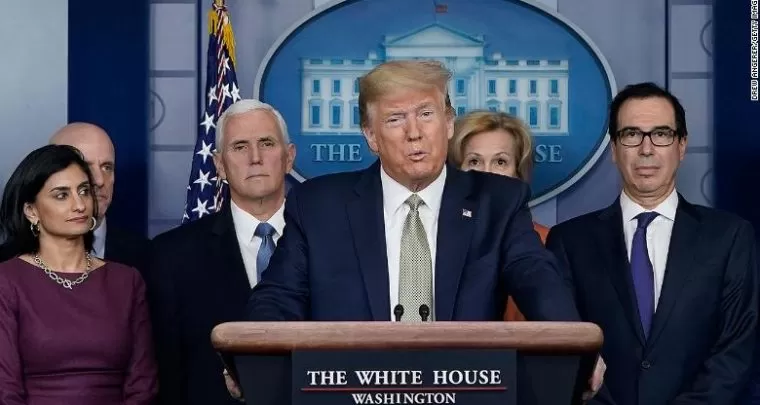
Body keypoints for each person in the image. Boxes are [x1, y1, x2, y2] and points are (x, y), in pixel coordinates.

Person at [245, 60, 604, 399]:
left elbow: (537, 279)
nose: (414, 133)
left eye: (426, 114)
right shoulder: (319, 205)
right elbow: (278, 298)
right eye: (395, 119)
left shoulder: (497, 202)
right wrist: (251, 359)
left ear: (448, 123)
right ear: (371, 135)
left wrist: (574, 346)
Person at [546, 82, 758, 405]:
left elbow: (736, 350)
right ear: (614, 149)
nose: (646, 149)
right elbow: (565, 348)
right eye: (631, 134)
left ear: (681, 146)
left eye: (661, 134)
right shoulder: (569, 241)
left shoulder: (730, 237)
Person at [149, 99, 295, 405]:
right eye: (240, 147)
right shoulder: (172, 256)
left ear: (289, 157)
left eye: (266, 143)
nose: (255, 158)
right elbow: (168, 372)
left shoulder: (327, 242)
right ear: (219, 164)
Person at [0, 144, 157, 405]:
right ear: (31, 211)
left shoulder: (126, 281)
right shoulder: (7, 280)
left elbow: (143, 385)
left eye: (84, 191)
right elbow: (5, 390)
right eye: (62, 195)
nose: (79, 204)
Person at [448, 110, 548, 321]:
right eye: (474, 162)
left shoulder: (546, 241)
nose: (487, 174)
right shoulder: (433, 239)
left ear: (519, 173)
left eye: (500, 162)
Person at [47, 123, 152, 275]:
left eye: (107, 167)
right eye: (85, 166)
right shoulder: (14, 259)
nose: (99, 180)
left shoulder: (146, 258)